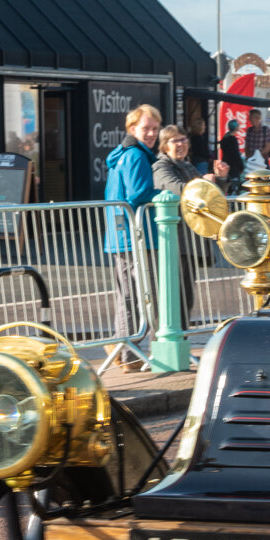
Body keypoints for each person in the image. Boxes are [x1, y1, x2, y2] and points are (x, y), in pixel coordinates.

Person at [104, 104, 165, 369]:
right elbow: (137, 194)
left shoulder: (124, 155)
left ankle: (123, 349)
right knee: (138, 296)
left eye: (154, 128)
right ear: (132, 128)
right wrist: (163, 194)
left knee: (128, 295)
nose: (151, 133)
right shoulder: (136, 157)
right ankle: (127, 352)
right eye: (146, 128)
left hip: (122, 235)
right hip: (133, 236)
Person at [151, 124, 230, 328]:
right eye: (175, 140)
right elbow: (179, 191)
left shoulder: (187, 166)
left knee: (186, 294)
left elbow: (209, 198)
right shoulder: (161, 167)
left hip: (188, 241)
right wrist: (205, 183)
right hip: (173, 242)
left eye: (184, 139)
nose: (181, 144)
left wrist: (220, 179)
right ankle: (167, 339)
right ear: (164, 146)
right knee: (172, 295)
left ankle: (182, 337)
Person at [218, 120, 244, 192]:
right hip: (233, 167)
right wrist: (241, 166)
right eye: (238, 125)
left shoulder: (225, 138)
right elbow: (235, 154)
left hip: (226, 164)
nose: (239, 126)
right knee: (234, 187)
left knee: (228, 187)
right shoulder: (232, 139)